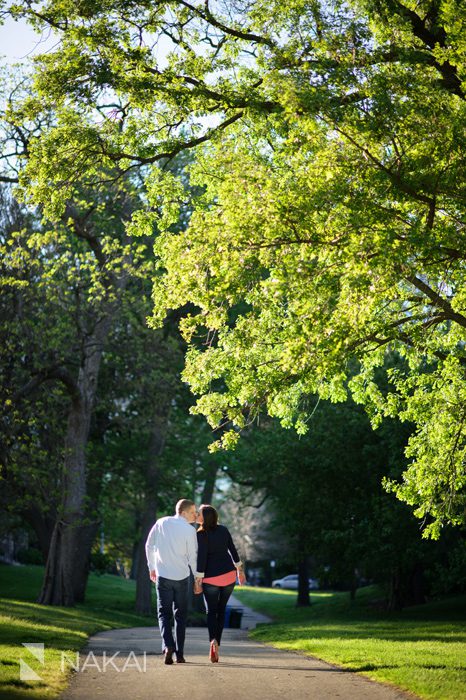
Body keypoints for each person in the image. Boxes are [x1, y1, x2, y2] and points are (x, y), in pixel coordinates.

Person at [145, 498, 200, 665]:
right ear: (183, 512)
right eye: (192, 512)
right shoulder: (190, 531)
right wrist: (198, 579)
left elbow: (149, 545)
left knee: (164, 614)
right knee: (180, 616)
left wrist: (152, 567)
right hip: (182, 578)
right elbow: (193, 557)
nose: (195, 515)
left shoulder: (161, 522)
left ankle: (168, 646)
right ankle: (180, 654)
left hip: (163, 576)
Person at [195, 504, 246, 663]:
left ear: (204, 517)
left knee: (211, 612)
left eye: (199, 514)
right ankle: (218, 643)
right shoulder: (223, 529)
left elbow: (202, 557)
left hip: (210, 577)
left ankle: (213, 641)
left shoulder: (201, 534)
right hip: (229, 575)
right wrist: (240, 570)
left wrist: (198, 579)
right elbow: (233, 550)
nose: (197, 516)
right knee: (222, 610)